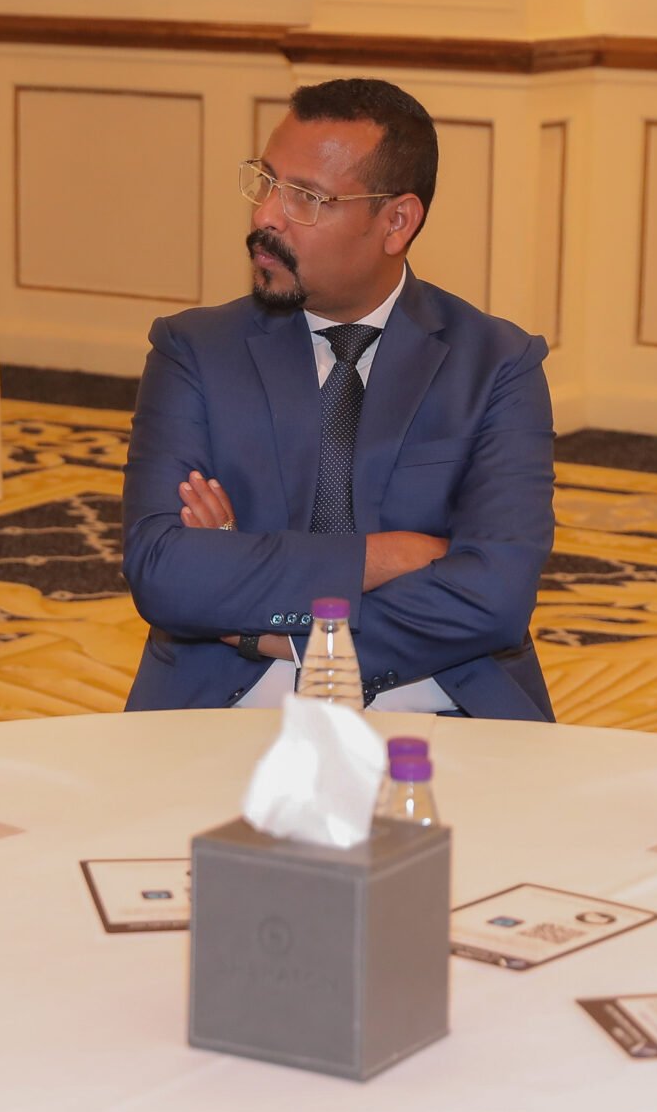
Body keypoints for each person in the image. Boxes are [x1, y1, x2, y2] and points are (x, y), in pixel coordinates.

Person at [120, 78, 555, 718]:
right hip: (230, 701)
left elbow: (496, 595)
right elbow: (164, 572)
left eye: (306, 198)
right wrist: (387, 557)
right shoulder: (196, 351)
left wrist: (273, 627)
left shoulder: (496, 365)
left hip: (440, 699)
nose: (265, 216)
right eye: (266, 182)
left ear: (396, 222)